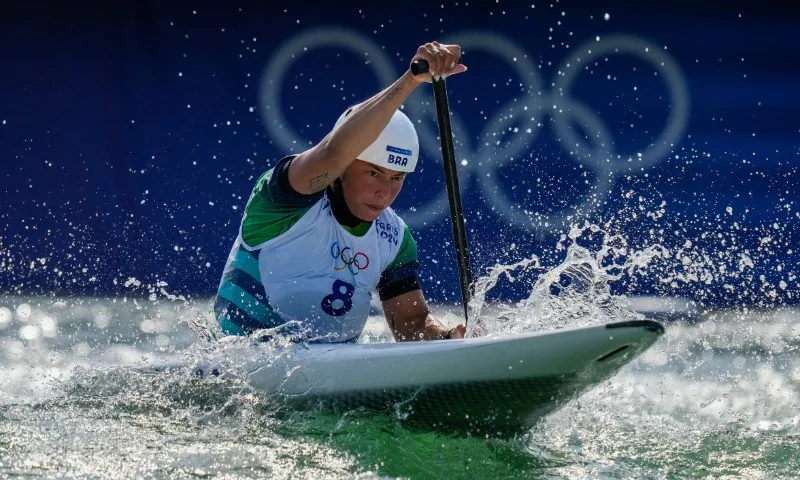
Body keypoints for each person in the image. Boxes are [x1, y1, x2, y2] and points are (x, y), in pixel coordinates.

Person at [214, 41, 467, 343]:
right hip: (241, 369)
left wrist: (448, 338)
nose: (384, 192)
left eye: (397, 178)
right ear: (344, 168)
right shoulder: (283, 200)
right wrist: (412, 80)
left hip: (334, 375)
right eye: (374, 173)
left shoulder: (395, 239)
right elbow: (332, 153)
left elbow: (411, 324)